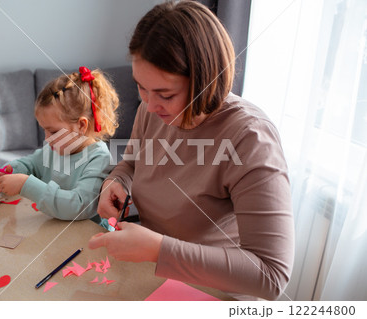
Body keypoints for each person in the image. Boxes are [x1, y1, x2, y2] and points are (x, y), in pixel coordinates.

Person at [88, 1, 294, 300]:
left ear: (205, 81)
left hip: (216, 293)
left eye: (165, 94)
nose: (148, 104)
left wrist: (159, 249)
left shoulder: (250, 137)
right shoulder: (154, 110)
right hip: (154, 276)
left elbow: (271, 276)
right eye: (141, 87)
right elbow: (131, 163)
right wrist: (116, 182)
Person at [0, 66, 118, 225]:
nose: (47, 139)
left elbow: (78, 206)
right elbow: (30, 164)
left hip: (85, 241)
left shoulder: (99, 159)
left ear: (81, 126)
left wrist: (25, 184)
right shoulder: (56, 148)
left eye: (53, 132)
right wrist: (11, 172)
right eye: (44, 130)